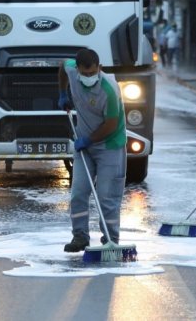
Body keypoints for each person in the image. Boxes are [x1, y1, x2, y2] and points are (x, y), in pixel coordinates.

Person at [58, 48, 128, 251]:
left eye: (93, 73)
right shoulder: (72, 70)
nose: (89, 77)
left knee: (107, 197)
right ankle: (80, 237)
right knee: (78, 193)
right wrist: (63, 93)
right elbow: (62, 66)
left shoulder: (109, 89)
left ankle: (111, 240)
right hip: (84, 145)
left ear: (100, 68)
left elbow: (111, 125)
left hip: (109, 146)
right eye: (85, 74)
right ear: (78, 70)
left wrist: (88, 140)